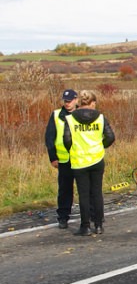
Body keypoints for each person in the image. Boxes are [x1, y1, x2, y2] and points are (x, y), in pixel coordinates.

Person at [63, 90, 115, 236]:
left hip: (79, 161)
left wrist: (74, 149)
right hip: (97, 159)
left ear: (80, 103)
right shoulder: (101, 118)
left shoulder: (70, 119)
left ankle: (85, 226)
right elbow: (110, 137)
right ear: (92, 103)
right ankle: (98, 225)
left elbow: (66, 140)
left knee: (83, 194)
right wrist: (100, 145)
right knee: (97, 193)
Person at [44, 89, 78, 228]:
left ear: (76, 100)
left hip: (81, 158)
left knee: (85, 189)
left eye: (70, 101)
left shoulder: (82, 114)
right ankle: (63, 217)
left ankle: (92, 216)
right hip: (64, 160)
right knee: (64, 190)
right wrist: (53, 157)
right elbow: (49, 137)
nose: (67, 103)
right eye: (65, 101)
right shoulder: (57, 115)